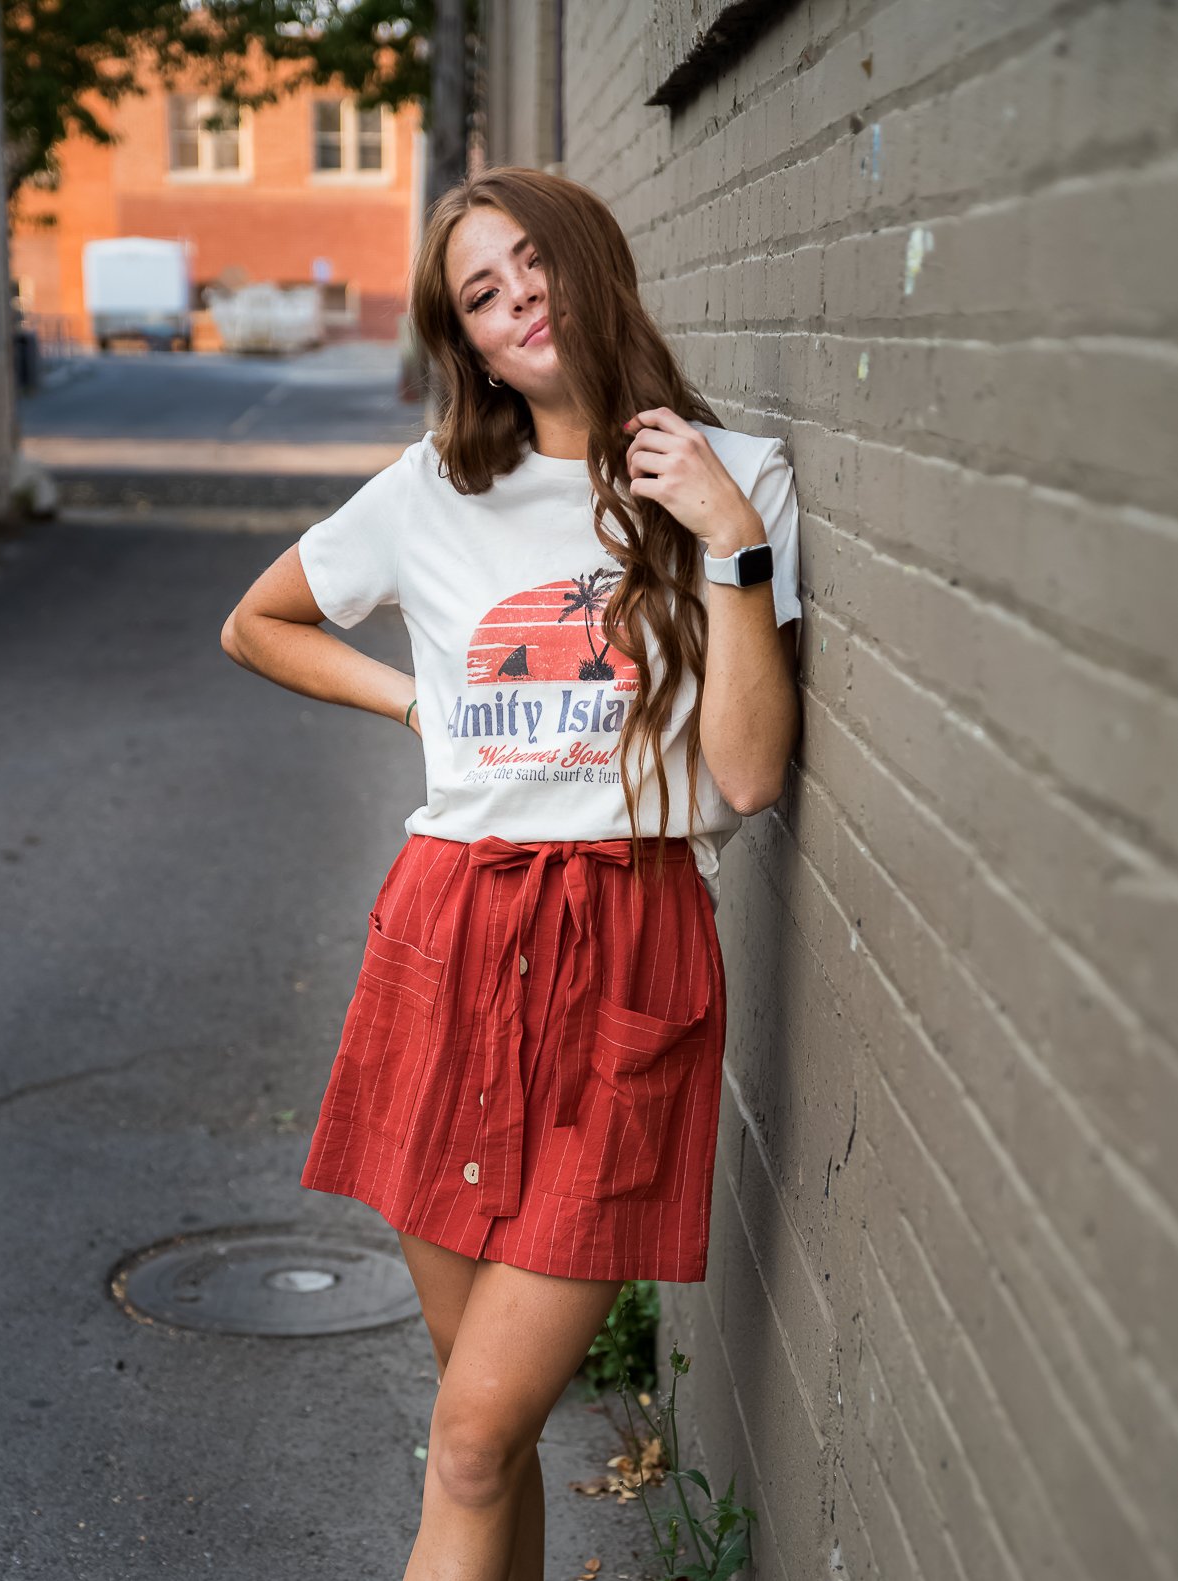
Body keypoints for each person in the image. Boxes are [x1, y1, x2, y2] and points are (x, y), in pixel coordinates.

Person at [220, 165, 801, 1581]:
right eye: (481, 292)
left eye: (532, 262)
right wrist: (418, 706)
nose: (517, 300)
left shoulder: (735, 475)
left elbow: (744, 774)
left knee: (475, 1433)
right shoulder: (436, 488)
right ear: (467, 341)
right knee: (485, 1424)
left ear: (592, 259)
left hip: (626, 951)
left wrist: (724, 534)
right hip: (452, 934)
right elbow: (258, 623)